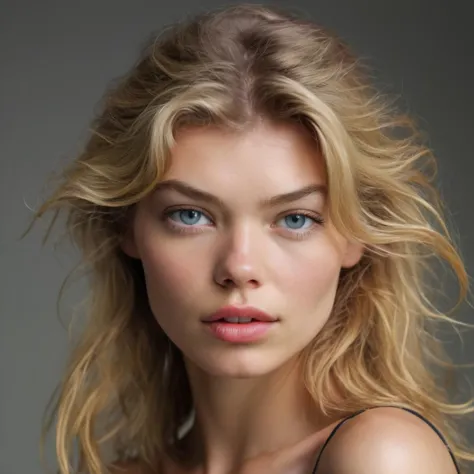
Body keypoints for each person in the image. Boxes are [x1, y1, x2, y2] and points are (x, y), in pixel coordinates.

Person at [29, 3, 474, 474]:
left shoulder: (380, 457)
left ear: (355, 236)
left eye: (296, 219)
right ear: (128, 228)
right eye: (190, 215)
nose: (239, 267)